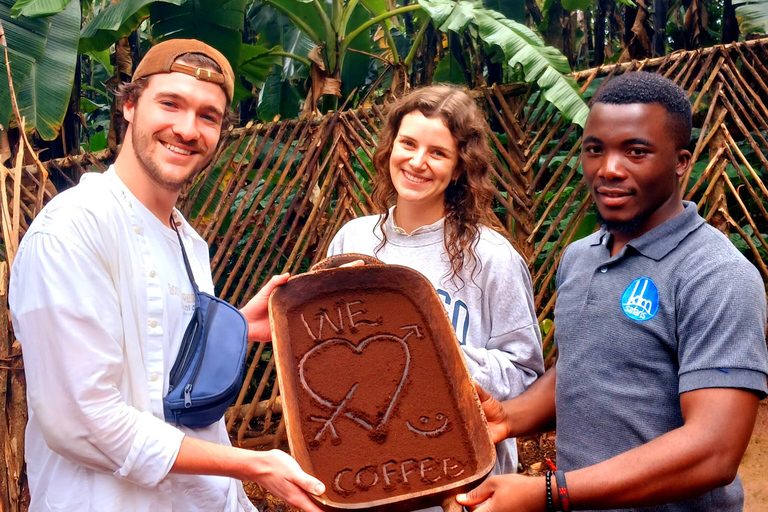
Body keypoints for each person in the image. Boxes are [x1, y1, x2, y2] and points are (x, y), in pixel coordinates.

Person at [9, 39, 325, 512]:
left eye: (208, 116)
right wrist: (253, 464)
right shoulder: (73, 229)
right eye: (170, 104)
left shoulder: (185, 238)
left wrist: (234, 328)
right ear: (130, 105)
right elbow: (79, 418)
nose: (186, 129)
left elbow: (159, 371)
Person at [455, 71, 768, 512]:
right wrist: (511, 417)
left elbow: (713, 451)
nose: (609, 169)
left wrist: (549, 493)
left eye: (636, 151)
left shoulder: (716, 275)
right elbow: (587, 366)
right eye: (594, 150)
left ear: (681, 161)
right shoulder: (580, 258)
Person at [326, 85, 545, 485]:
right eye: (408, 143)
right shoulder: (352, 241)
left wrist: (441, 357)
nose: (417, 161)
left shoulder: (491, 256)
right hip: (372, 475)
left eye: (438, 152)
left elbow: (525, 374)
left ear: (460, 166)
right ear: (391, 146)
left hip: (462, 477)